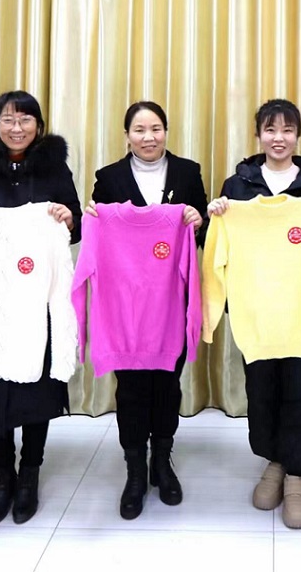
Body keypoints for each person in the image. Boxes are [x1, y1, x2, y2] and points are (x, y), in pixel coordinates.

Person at [206, 98, 301, 529]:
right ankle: (274, 461)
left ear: (298, 135)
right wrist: (216, 214)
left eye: (287, 130)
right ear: (258, 135)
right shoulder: (238, 186)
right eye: (270, 129)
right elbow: (215, 251)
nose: (278, 138)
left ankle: (297, 473)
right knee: (262, 390)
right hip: (257, 315)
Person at [0, 90, 82, 527]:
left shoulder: (55, 168)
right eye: (7, 119)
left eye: (25, 120)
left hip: (34, 297)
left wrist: (67, 218)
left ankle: (30, 473)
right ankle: (2, 474)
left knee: (35, 391)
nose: (16, 127)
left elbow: (76, 223)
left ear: (38, 126)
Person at [84, 101, 208, 519]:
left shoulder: (187, 172)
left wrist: (197, 220)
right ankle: (135, 469)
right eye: (139, 130)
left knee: (167, 384)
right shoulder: (109, 178)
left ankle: (162, 462)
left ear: (166, 131)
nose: (148, 137)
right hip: (126, 308)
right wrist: (92, 216)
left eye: (156, 128)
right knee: (132, 388)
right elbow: (99, 236)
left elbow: (204, 231)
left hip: (172, 302)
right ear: (127, 136)